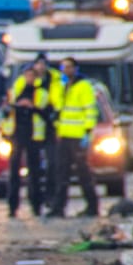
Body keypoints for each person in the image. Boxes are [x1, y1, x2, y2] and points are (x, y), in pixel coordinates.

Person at [47, 57, 100, 218]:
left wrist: (87, 132)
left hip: (78, 136)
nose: (66, 70)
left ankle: (92, 207)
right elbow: (58, 105)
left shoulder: (83, 86)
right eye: (63, 67)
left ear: (76, 69)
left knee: (83, 173)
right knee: (61, 173)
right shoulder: (63, 86)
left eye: (69, 67)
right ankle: (59, 208)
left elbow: (90, 110)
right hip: (64, 136)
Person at [4, 61, 53, 218]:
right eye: (27, 75)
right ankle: (12, 207)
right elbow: (6, 112)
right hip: (17, 136)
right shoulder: (15, 91)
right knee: (13, 174)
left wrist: (32, 107)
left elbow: (46, 114)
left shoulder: (42, 93)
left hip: (34, 137)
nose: (30, 78)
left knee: (35, 173)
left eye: (32, 75)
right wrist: (18, 106)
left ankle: (36, 205)